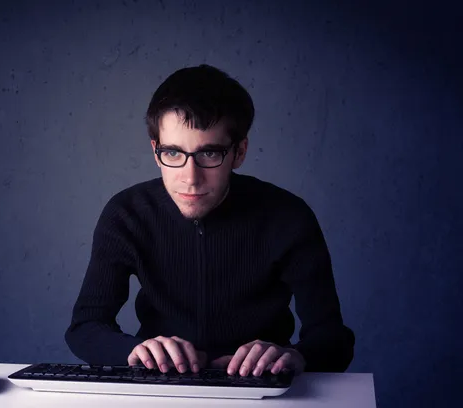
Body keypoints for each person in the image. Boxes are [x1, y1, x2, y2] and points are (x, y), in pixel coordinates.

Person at [65, 64, 355, 377]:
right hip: (158, 385)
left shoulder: (289, 216)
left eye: (209, 154)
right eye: (173, 154)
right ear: (155, 151)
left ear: (239, 152)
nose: (190, 178)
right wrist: (133, 351)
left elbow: (333, 339)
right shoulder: (127, 213)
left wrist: (296, 356)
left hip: (264, 388)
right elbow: (85, 327)